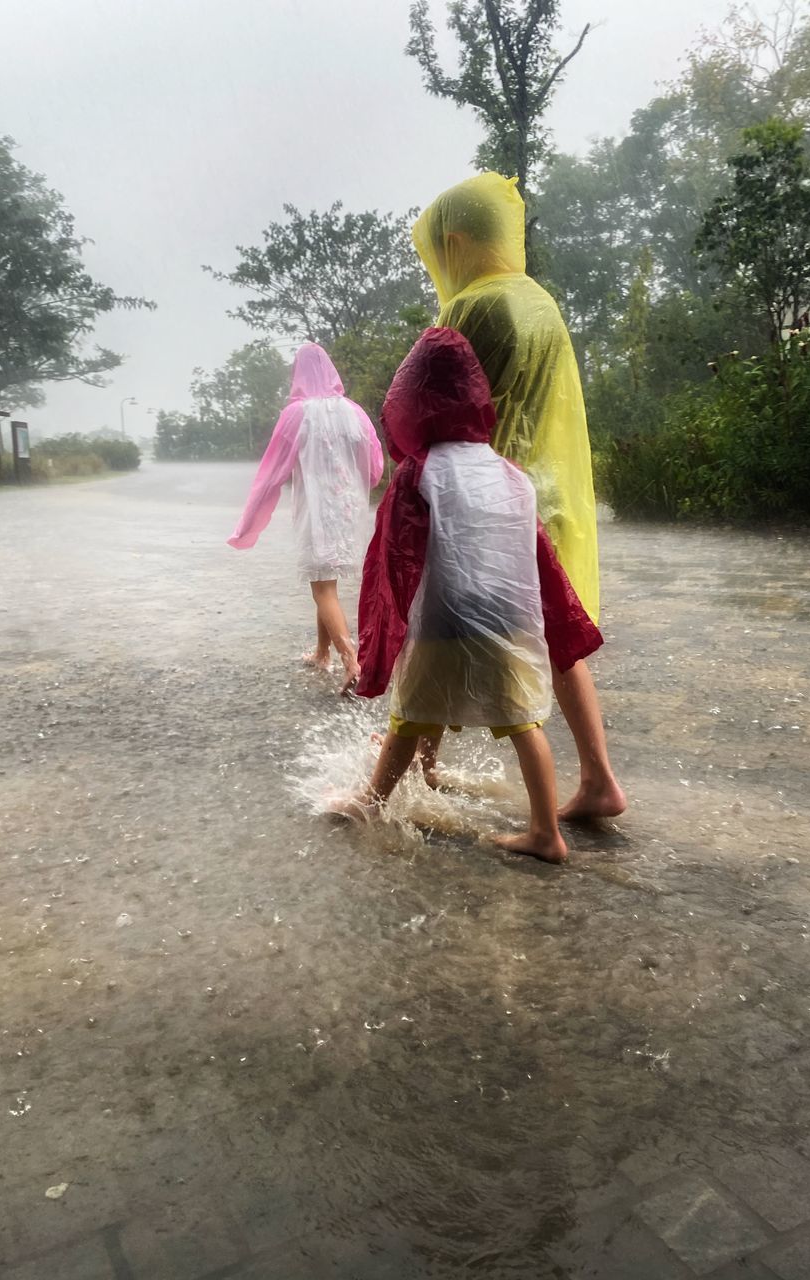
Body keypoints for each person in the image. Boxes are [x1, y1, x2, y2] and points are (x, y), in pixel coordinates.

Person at [333, 327, 603, 863]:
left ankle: (371, 800)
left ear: (409, 405)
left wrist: (380, 644)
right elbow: (542, 564)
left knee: (409, 713)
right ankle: (546, 832)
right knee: (524, 723)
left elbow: (392, 561)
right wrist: (555, 627)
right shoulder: (511, 473)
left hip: (444, 618)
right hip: (509, 618)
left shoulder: (419, 471)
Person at [410, 172, 626, 821]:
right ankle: (597, 778)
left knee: (437, 629)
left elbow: (429, 407)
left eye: (440, 252)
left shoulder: (473, 306)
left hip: (488, 506)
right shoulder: (538, 300)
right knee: (557, 639)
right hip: (545, 500)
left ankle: (418, 763)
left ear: (457, 240)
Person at [228, 343, 383, 691]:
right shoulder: (354, 412)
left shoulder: (297, 414)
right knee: (326, 581)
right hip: (348, 508)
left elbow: (271, 473)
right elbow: (375, 466)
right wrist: (358, 486)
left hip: (317, 510)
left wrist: (247, 524)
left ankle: (351, 663)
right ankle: (321, 652)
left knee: (322, 588)